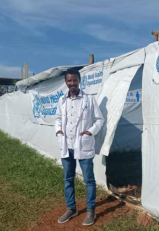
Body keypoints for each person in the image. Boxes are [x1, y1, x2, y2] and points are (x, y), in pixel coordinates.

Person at [55, 69, 104, 226]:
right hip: (66, 145)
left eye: (74, 80)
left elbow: (99, 119)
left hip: (83, 145)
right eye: (69, 81)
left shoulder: (89, 99)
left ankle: (91, 211)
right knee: (68, 179)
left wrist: (90, 131)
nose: (72, 83)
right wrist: (58, 131)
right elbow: (57, 118)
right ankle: (71, 208)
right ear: (66, 82)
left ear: (79, 80)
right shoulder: (63, 100)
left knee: (89, 180)